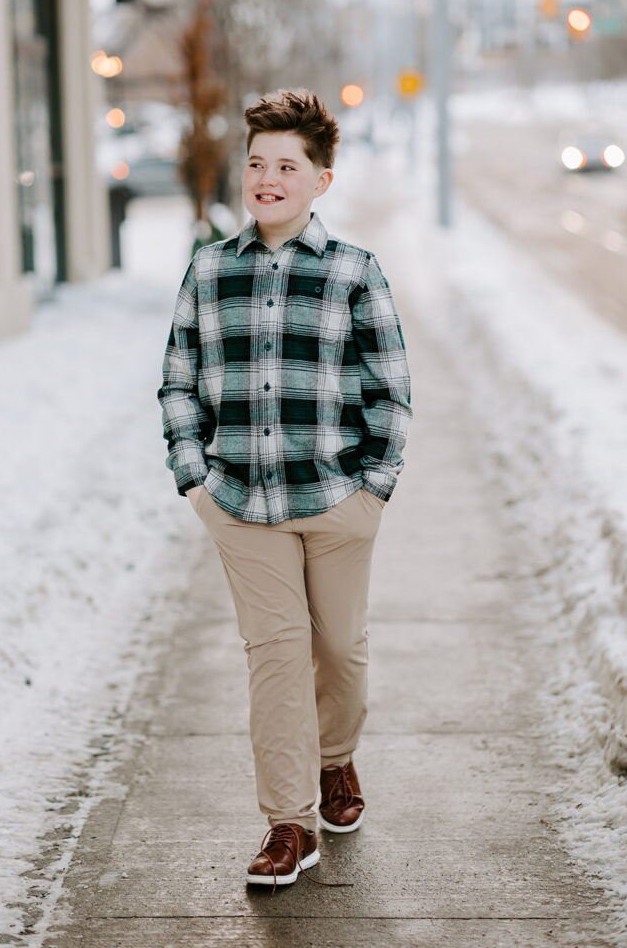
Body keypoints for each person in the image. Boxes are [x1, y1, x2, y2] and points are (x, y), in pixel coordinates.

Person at [157, 89, 411, 892]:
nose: (266, 178)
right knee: (273, 658)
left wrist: (372, 488)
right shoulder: (208, 270)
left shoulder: (352, 272)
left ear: (320, 180)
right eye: (257, 163)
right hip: (241, 505)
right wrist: (195, 478)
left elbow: (390, 391)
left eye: (285, 166)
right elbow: (178, 381)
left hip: (335, 498)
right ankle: (287, 822)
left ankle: (337, 760)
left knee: (337, 648)